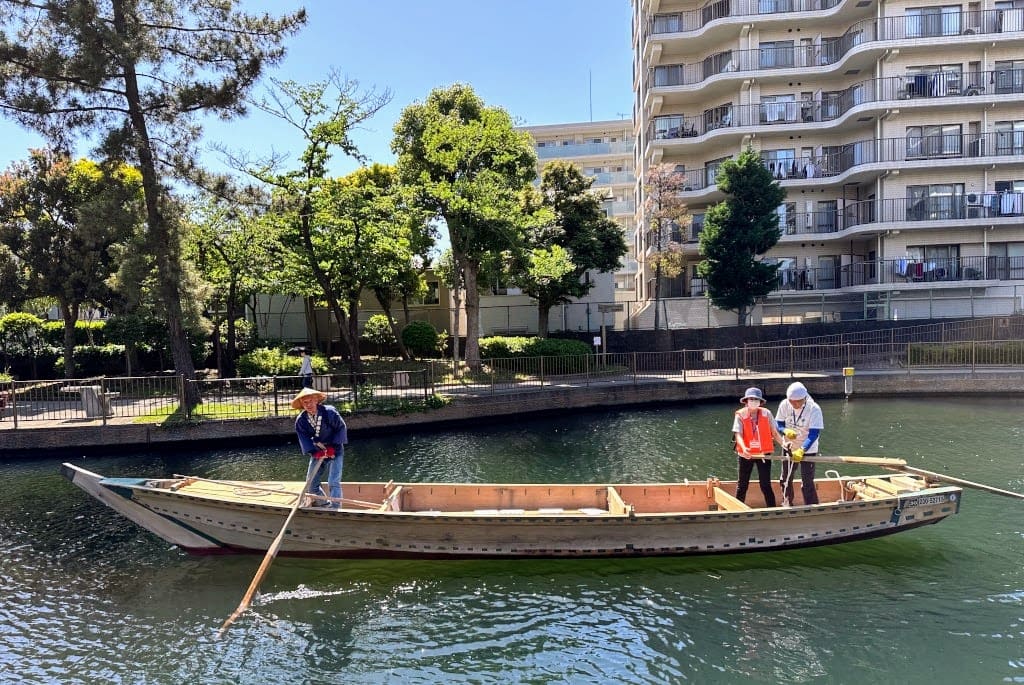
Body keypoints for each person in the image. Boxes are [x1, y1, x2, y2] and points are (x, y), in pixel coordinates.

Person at [292, 386, 347, 509]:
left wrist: (334, 446)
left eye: (310, 401)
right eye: (305, 402)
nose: (308, 405)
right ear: (302, 404)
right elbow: (304, 439)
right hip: (318, 451)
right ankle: (324, 504)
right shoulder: (301, 420)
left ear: (316, 400)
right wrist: (314, 452)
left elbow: (341, 428)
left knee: (333, 482)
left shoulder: (330, 412)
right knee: (311, 483)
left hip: (335, 449)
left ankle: (336, 507)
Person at [731, 387, 784, 507]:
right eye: (751, 399)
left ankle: (772, 510)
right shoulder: (740, 415)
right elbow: (738, 434)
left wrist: (784, 444)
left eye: (756, 399)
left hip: (763, 454)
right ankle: (737, 510)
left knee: (765, 484)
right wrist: (744, 448)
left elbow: (775, 433)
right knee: (742, 485)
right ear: (746, 401)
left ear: (760, 402)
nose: (753, 401)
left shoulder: (767, 413)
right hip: (746, 455)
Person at [775, 381, 823, 506]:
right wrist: (784, 430)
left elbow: (814, 434)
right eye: (792, 401)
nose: (795, 404)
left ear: (805, 398)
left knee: (807, 481)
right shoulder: (785, 404)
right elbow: (778, 423)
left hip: (808, 448)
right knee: (785, 478)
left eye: (798, 401)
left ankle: (812, 507)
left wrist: (802, 450)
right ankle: (787, 503)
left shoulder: (814, 409)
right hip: (789, 446)